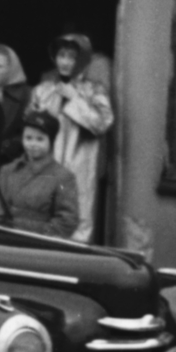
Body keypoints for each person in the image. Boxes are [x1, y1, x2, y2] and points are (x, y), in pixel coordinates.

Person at [28, 33, 114, 243]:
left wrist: (75, 99)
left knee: (79, 217)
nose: (65, 62)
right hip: (47, 166)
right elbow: (30, 127)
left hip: (80, 167)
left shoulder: (94, 90)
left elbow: (102, 123)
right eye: (61, 56)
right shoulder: (43, 90)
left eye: (71, 57)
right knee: (44, 215)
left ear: (82, 60)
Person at [0, 110, 79, 239]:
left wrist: (40, 236)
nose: (33, 144)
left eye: (40, 139)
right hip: (4, 241)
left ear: (51, 142)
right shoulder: (7, 171)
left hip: (39, 247)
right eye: (28, 138)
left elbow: (67, 220)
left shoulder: (62, 177)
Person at [0, 44, 31, 164]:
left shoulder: (26, 94)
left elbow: (30, 131)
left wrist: (8, 147)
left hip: (13, 163)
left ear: (10, 68)